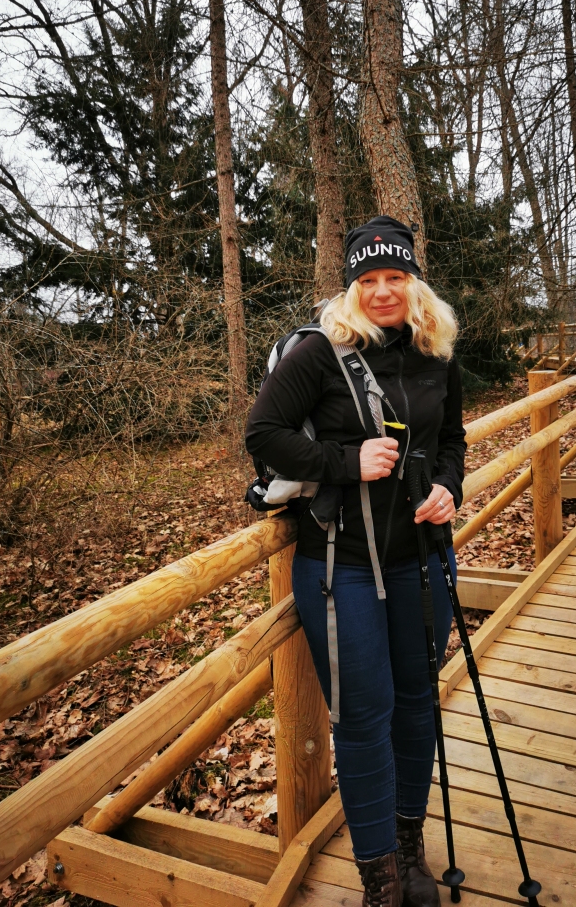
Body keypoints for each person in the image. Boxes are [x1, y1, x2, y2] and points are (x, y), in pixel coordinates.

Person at [245, 217, 466, 907]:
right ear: (350, 287)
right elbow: (263, 433)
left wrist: (448, 489)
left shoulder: (435, 352)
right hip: (340, 566)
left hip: (421, 559)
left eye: (394, 277)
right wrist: (346, 461)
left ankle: (409, 846)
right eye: (367, 280)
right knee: (364, 719)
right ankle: (381, 878)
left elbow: (453, 440)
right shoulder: (321, 353)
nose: (382, 291)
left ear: (413, 281)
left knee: (416, 706)